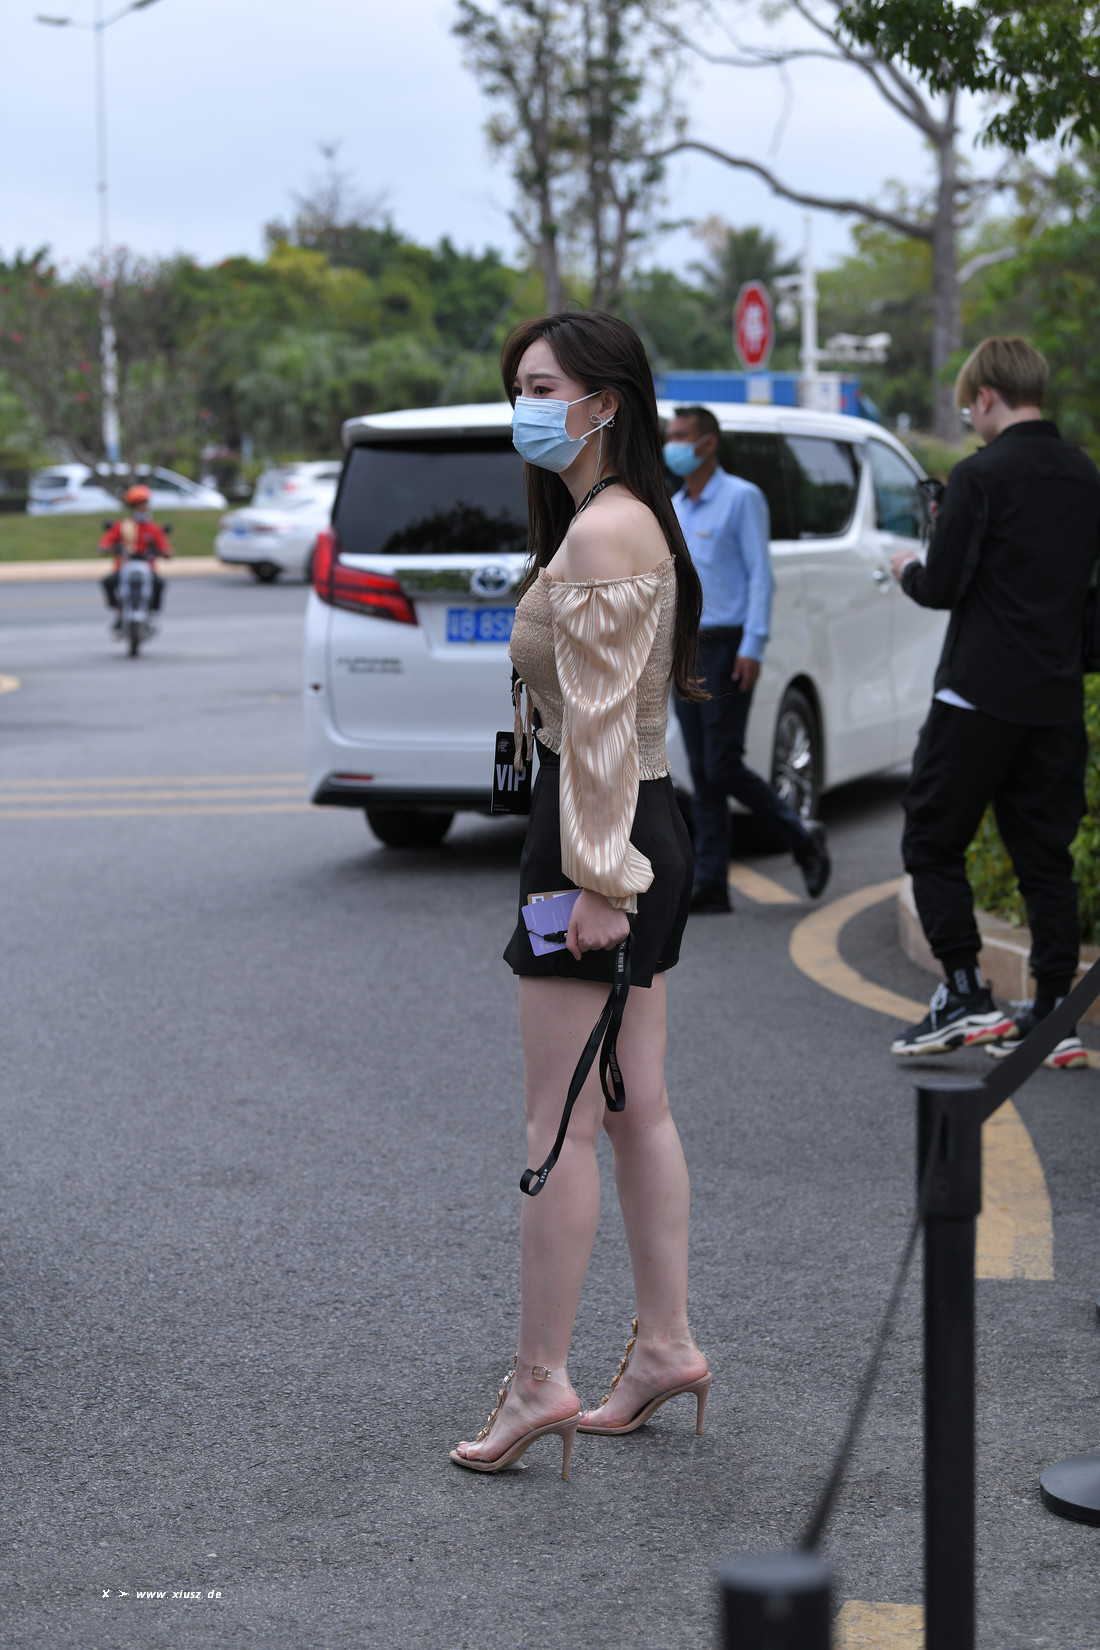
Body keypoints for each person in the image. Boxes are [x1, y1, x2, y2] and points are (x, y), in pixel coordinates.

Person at [450, 312, 711, 1477]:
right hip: (630, 822)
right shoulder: (620, 514)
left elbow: (598, 727)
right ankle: (663, 1348)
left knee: (554, 1123)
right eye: (517, 386)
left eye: (543, 386)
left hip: (595, 838)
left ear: (605, 403)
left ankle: (538, 1381)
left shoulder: (603, 530)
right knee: (632, 1105)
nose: (525, 404)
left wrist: (597, 881)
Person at [889, 336, 1100, 1069]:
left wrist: (908, 566)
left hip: (977, 695)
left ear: (984, 397)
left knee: (930, 839)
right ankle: (1054, 1017)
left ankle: (966, 994)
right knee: (1045, 858)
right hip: (1055, 698)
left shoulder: (978, 475)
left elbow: (942, 586)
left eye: (967, 408)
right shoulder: (1085, 474)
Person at [664, 406, 830, 913]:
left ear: (708, 443)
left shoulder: (741, 498)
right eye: (670, 436)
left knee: (722, 763)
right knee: (702, 769)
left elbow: (761, 575)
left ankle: (801, 835)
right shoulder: (675, 507)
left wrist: (753, 644)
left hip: (728, 644)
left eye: (682, 436)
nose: (673, 445)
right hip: (685, 645)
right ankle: (712, 883)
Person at [100, 485, 171, 628]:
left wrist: (162, 552)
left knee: (159, 584)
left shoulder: (153, 528)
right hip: (125, 566)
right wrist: (110, 547)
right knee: (107, 582)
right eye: (137, 504)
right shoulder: (122, 526)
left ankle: (152, 613)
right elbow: (104, 543)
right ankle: (119, 612)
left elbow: (166, 549)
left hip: (146, 567)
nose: (141, 507)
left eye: (143, 503)